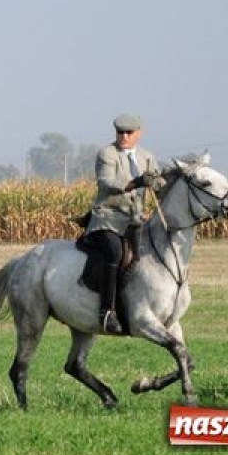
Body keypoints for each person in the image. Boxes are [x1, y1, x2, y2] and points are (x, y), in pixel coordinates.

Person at [84, 113, 165, 334]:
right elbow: (106, 182)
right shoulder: (107, 154)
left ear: (139, 134)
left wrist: (159, 182)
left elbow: (159, 182)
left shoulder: (147, 157)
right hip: (108, 218)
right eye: (120, 132)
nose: (124, 137)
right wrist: (137, 182)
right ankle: (106, 312)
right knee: (115, 251)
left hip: (137, 221)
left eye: (129, 133)